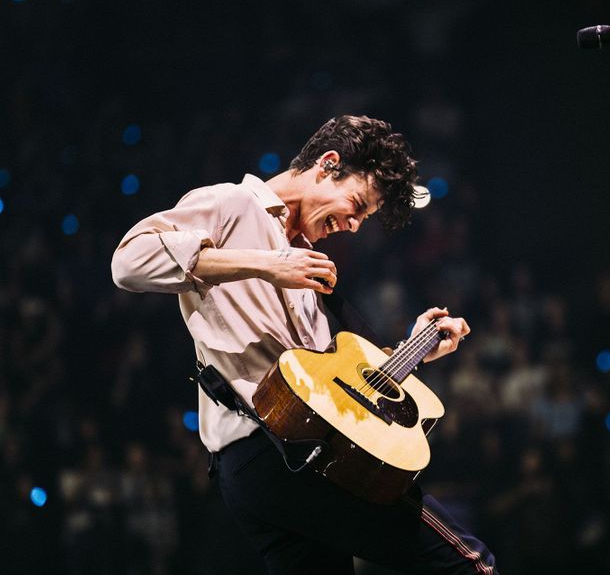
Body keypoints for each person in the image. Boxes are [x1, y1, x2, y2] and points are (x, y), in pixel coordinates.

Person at [111, 115, 497, 574]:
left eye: (363, 218)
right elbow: (127, 262)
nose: (354, 226)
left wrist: (413, 349)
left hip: (275, 467)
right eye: (357, 205)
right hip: (278, 454)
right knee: (470, 566)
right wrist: (268, 263)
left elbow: (335, 391)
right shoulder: (234, 204)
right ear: (328, 165)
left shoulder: (309, 267)